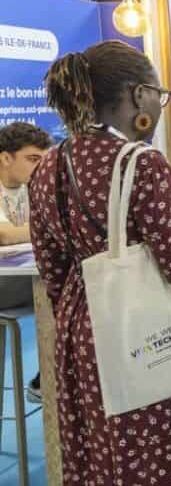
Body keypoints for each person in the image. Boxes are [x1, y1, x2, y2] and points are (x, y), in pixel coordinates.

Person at [29, 41, 171, 484]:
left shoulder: (49, 165)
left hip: (81, 330)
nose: (160, 106)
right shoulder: (140, 162)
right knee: (165, 446)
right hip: (150, 330)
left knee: (101, 446)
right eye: (159, 95)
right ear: (137, 95)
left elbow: (52, 269)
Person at [0, 121, 52, 403]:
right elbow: (4, 235)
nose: (40, 166)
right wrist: (43, 229)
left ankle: (50, 378)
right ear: (5, 158)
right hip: (4, 283)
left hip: (19, 276)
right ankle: (47, 381)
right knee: (65, 288)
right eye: (32, 159)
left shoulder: (33, 186)